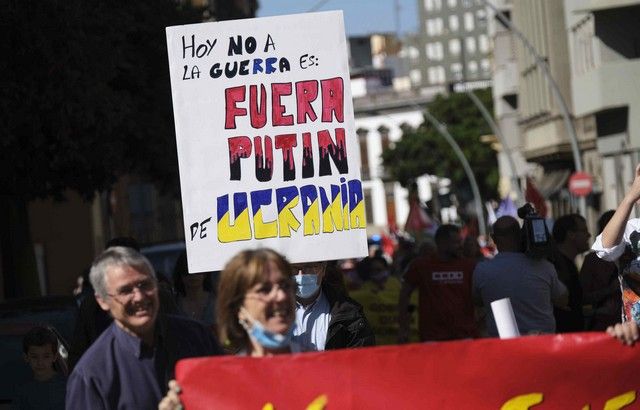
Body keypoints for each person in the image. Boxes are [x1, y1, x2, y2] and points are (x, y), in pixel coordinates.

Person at [66, 246, 222, 409]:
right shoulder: (91, 375)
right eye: (126, 290)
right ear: (103, 301)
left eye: (145, 285)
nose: (139, 296)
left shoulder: (197, 337)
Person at [158, 248, 298, 409]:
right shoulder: (212, 382)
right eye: (264, 289)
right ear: (239, 307)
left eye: (286, 285)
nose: (281, 296)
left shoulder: (322, 369)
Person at [473, 216, 568, 336]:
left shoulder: (482, 270)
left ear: (494, 238)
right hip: (542, 344)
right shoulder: (544, 267)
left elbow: (477, 301)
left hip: (504, 347)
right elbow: (562, 299)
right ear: (521, 235)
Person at [398, 224, 478, 342]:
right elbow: (404, 295)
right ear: (442, 243)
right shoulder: (421, 266)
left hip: (464, 335)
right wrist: (404, 327)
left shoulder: (469, 266)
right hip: (433, 338)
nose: (460, 246)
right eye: (456, 242)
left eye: (460, 242)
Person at [292, 260, 375, 351]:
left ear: (323, 269)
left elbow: (362, 358)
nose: (301, 275)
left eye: (310, 267)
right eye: (294, 268)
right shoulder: (274, 311)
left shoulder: (350, 313)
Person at [580, 210, 622, 330]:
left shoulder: (631, 255)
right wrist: (609, 290)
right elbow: (583, 296)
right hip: (602, 323)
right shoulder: (592, 260)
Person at [550, 214, 591, 332]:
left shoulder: (566, 264)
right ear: (570, 234)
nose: (589, 235)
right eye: (584, 231)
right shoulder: (557, 268)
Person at [12, 326, 67, 410]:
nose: (40, 362)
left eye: (46, 356)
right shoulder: (23, 391)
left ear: (54, 357)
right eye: (34, 357)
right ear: (26, 357)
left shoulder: (67, 386)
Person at [172, 251, 217, 329]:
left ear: (205, 273)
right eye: (187, 271)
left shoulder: (216, 302)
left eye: (197, 271)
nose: (193, 275)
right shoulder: (174, 305)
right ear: (180, 275)